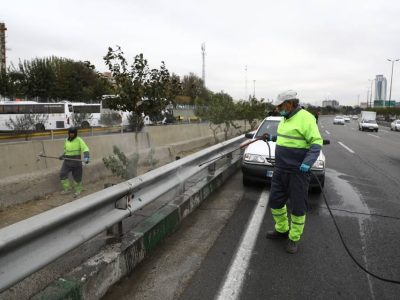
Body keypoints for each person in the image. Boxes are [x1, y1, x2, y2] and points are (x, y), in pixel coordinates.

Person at [265, 90, 323, 254]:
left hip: (297, 172)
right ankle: (282, 229)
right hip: (280, 169)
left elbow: (316, 143)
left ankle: (294, 238)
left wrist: (307, 162)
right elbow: (288, 138)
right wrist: (273, 138)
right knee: (275, 201)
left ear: (290, 104)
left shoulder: (306, 118)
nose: (277, 109)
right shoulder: (285, 118)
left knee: (298, 206)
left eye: (280, 106)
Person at [59, 127, 90, 197]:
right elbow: (65, 150)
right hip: (67, 161)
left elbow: (85, 148)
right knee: (62, 174)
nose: (71, 135)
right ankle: (67, 189)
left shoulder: (79, 140)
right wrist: (62, 155)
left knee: (77, 177)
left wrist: (86, 157)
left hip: (76, 162)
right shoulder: (66, 140)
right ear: (68, 133)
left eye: (73, 133)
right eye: (70, 133)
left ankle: (78, 190)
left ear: (75, 133)